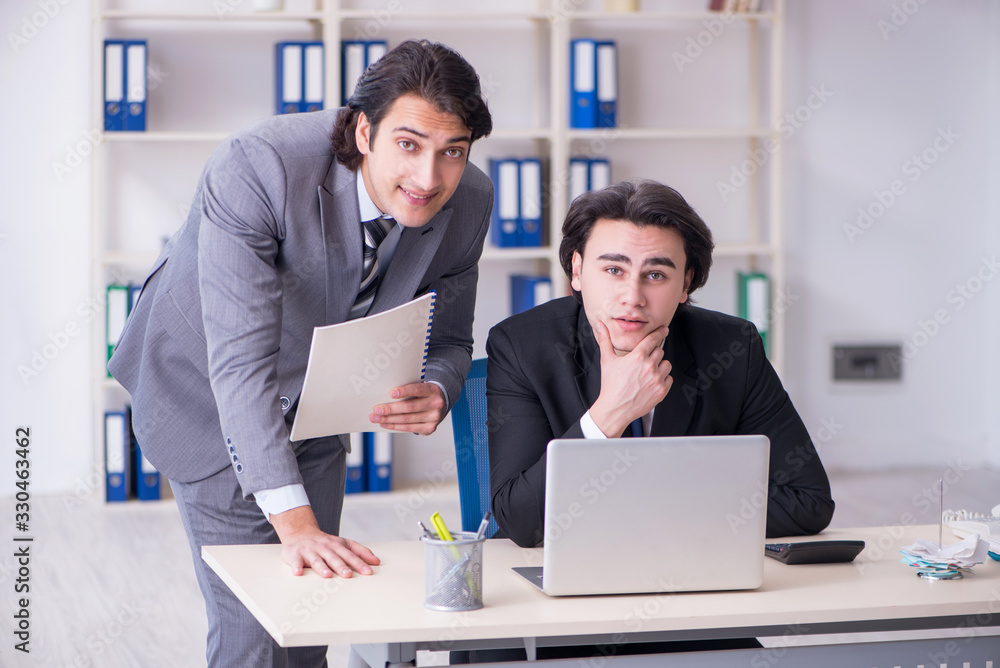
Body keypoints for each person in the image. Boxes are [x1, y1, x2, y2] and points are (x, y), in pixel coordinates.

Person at [108, 40, 493, 667]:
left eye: (452, 151)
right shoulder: (258, 166)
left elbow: (449, 338)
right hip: (206, 391)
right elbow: (240, 361)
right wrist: (295, 522)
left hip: (316, 404)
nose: (429, 178)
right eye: (409, 144)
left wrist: (440, 386)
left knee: (311, 621)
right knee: (256, 635)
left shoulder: (469, 200)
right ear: (364, 130)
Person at [487, 179, 835, 549]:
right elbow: (521, 521)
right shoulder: (522, 347)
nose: (633, 297)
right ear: (577, 271)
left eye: (655, 275)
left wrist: (646, 504)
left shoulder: (733, 349)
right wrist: (608, 415)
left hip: (690, 572)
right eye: (613, 270)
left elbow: (807, 501)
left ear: (685, 284)